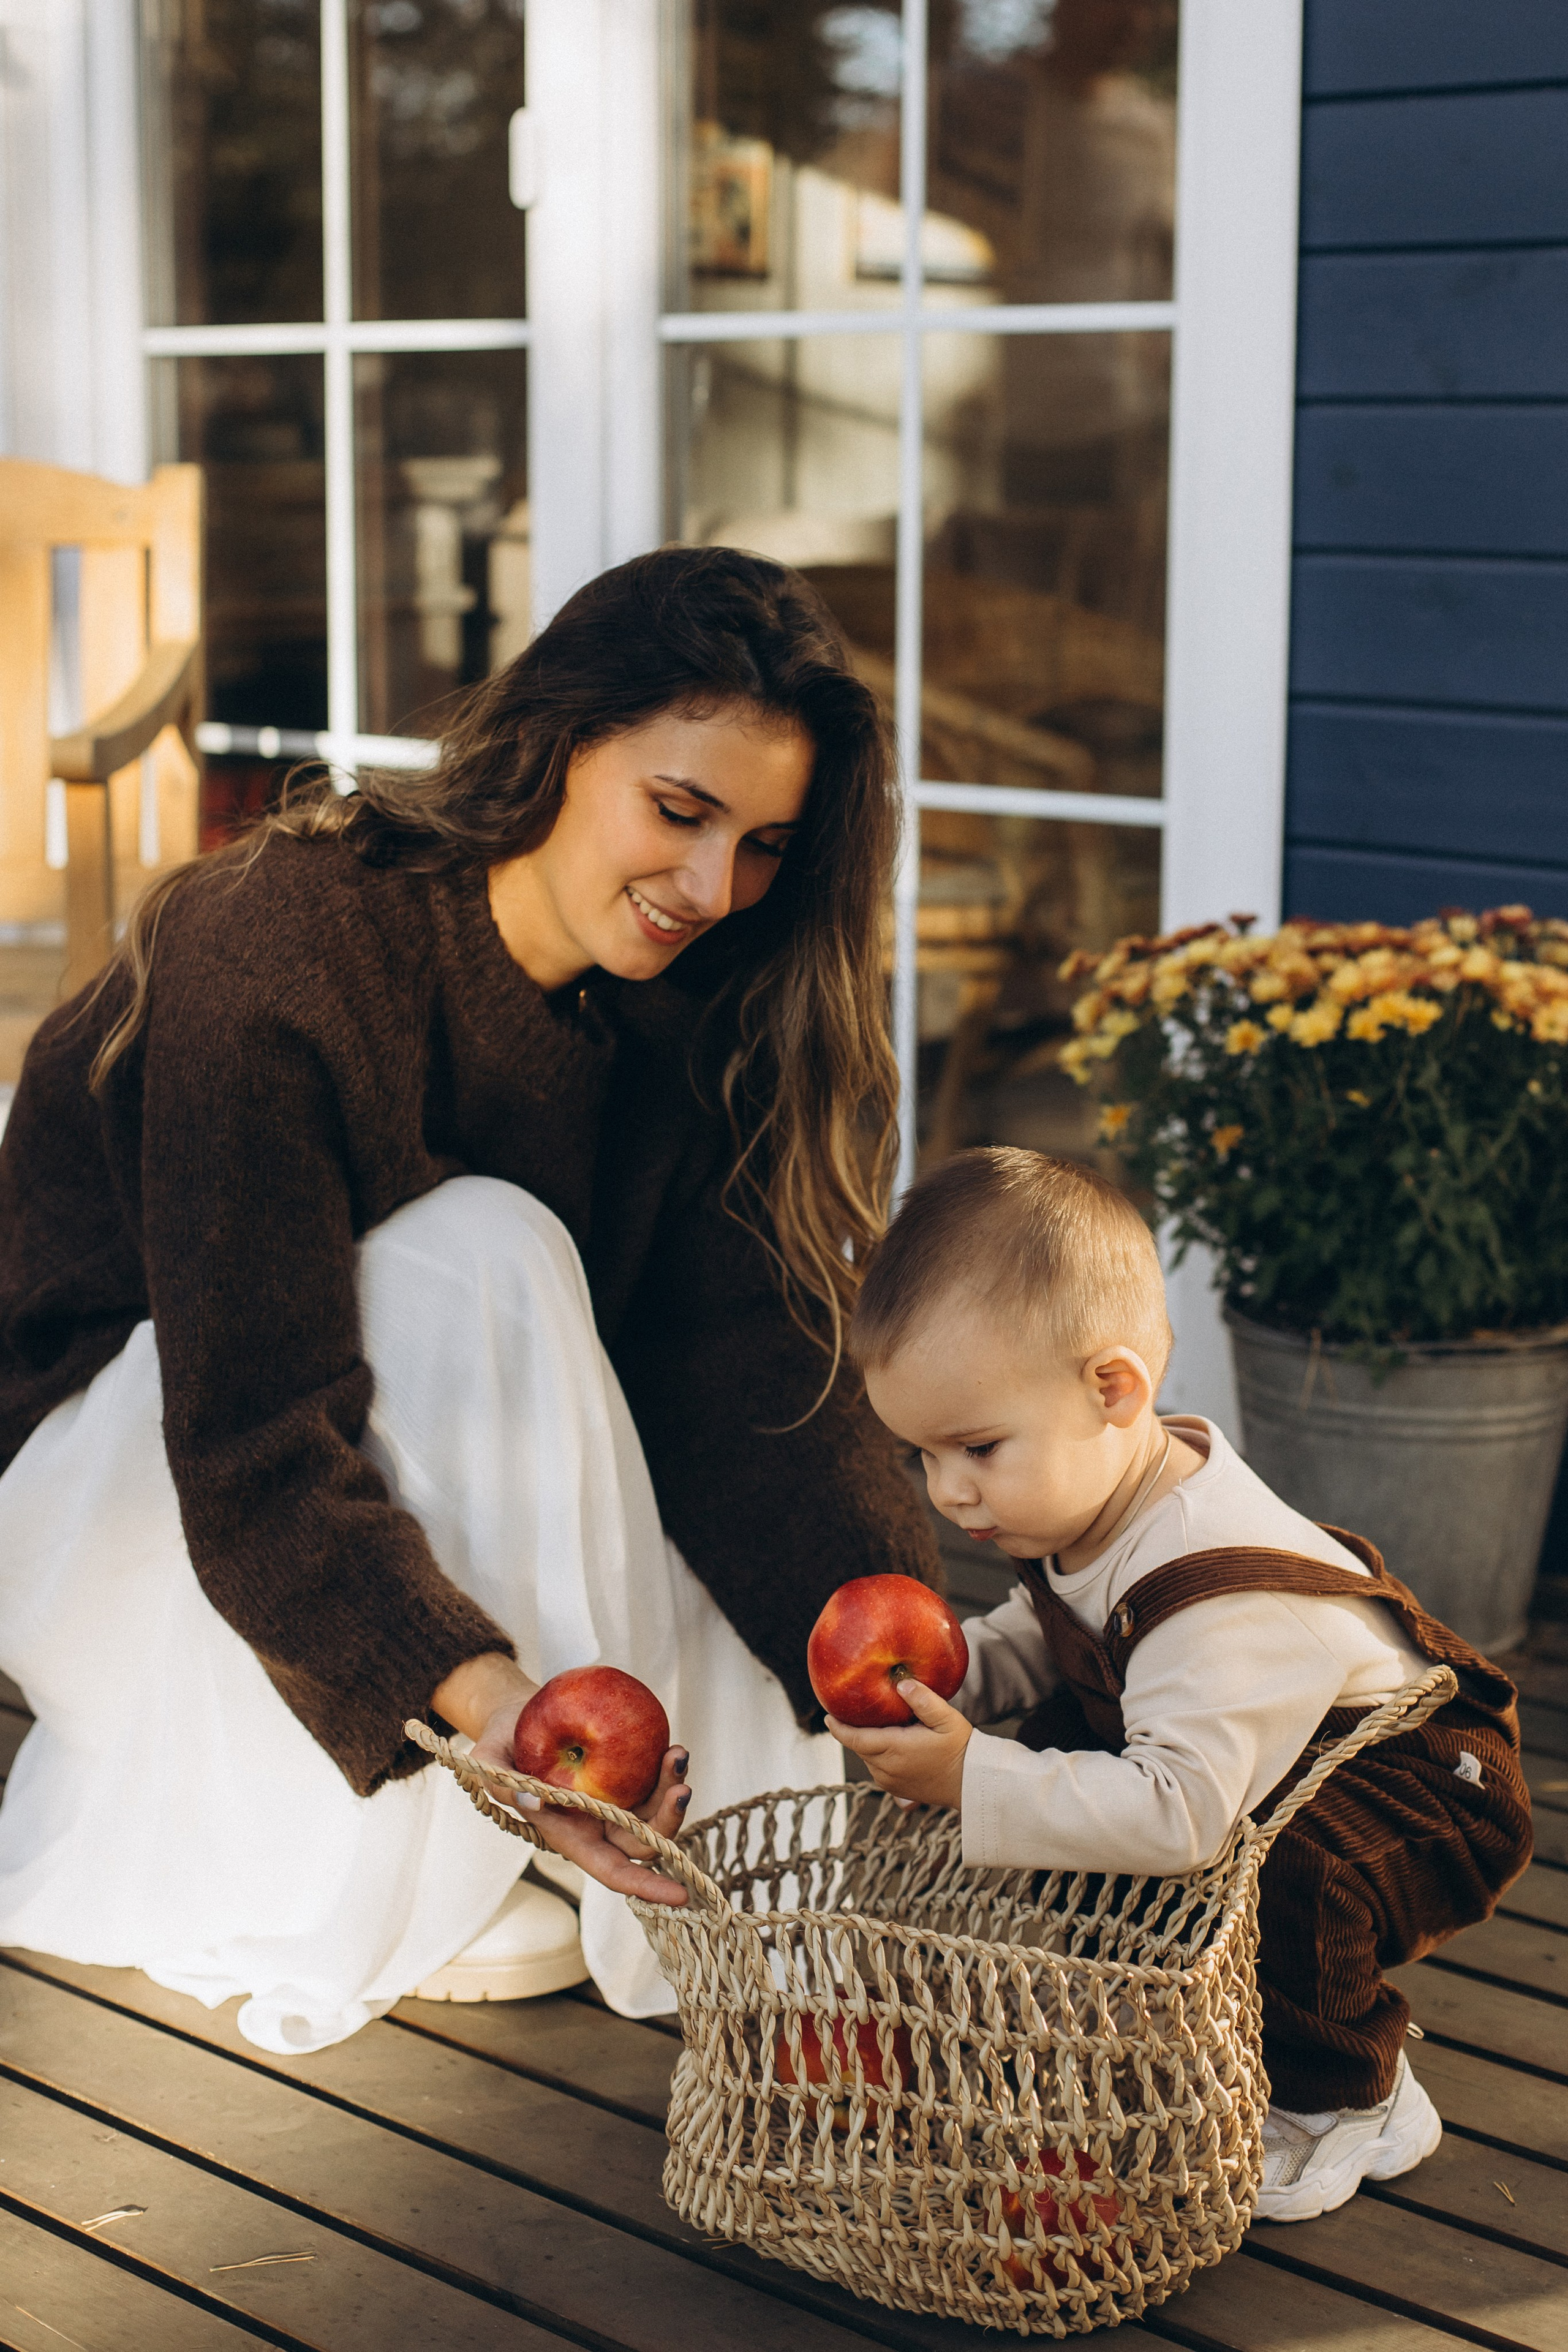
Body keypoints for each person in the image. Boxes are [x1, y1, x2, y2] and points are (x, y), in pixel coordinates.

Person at [0, 547, 936, 2054]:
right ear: (561, 743)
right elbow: (252, 1448)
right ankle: (432, 1838)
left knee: (558, 1317)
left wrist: (890, 1658)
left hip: (311, 1485)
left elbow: (733, 1367)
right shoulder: (284, 947)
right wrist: (504, 1721)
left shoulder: (687, 1006)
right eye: (678, 811)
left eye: (763, 845)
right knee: (486, 1248)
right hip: (113, 1496)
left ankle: (730, 1898)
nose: (712, 889)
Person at [831, 1147, 1532, 2224]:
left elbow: (1180, 1818)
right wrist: (958, 1688)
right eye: (923, 1458)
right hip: (1246, 1763)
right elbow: (1056, 1629)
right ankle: (1177, 2007)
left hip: (1420, 1796)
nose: (949, 1491)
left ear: (1115, 1389)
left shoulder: (1214, 1591)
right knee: (1068, 1746)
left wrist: (977, 1779)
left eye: (975, 1447)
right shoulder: (1091, 1499)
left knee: (1286, 1869)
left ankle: (1352, 2093)